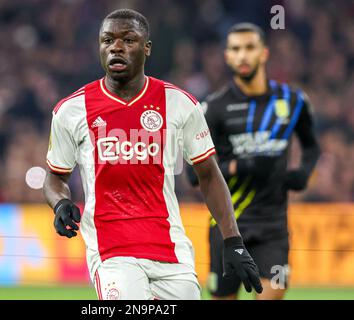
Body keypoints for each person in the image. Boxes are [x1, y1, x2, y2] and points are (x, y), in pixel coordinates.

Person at [43, 10, 262, 300]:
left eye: (128, 40)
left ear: (147, 48)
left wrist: (233, 240)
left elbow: (208, 174)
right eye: (107, 40)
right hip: (112, 252)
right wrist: (60, 203)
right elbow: (55, 176)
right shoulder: (71, 111)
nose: (116, 47)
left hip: (171, 249)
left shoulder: (180, 104)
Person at [187, 23, 321, 300]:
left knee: (274, 293)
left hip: (273, 228)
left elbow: (311, 146)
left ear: (264, 53)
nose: (243, 56)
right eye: (235, 49)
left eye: (249, 48)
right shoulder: (212, 109)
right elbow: (192, 174)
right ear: (227, 56)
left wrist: (303, 173)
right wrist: (239, 167)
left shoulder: (292, 101)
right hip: (227, 227)